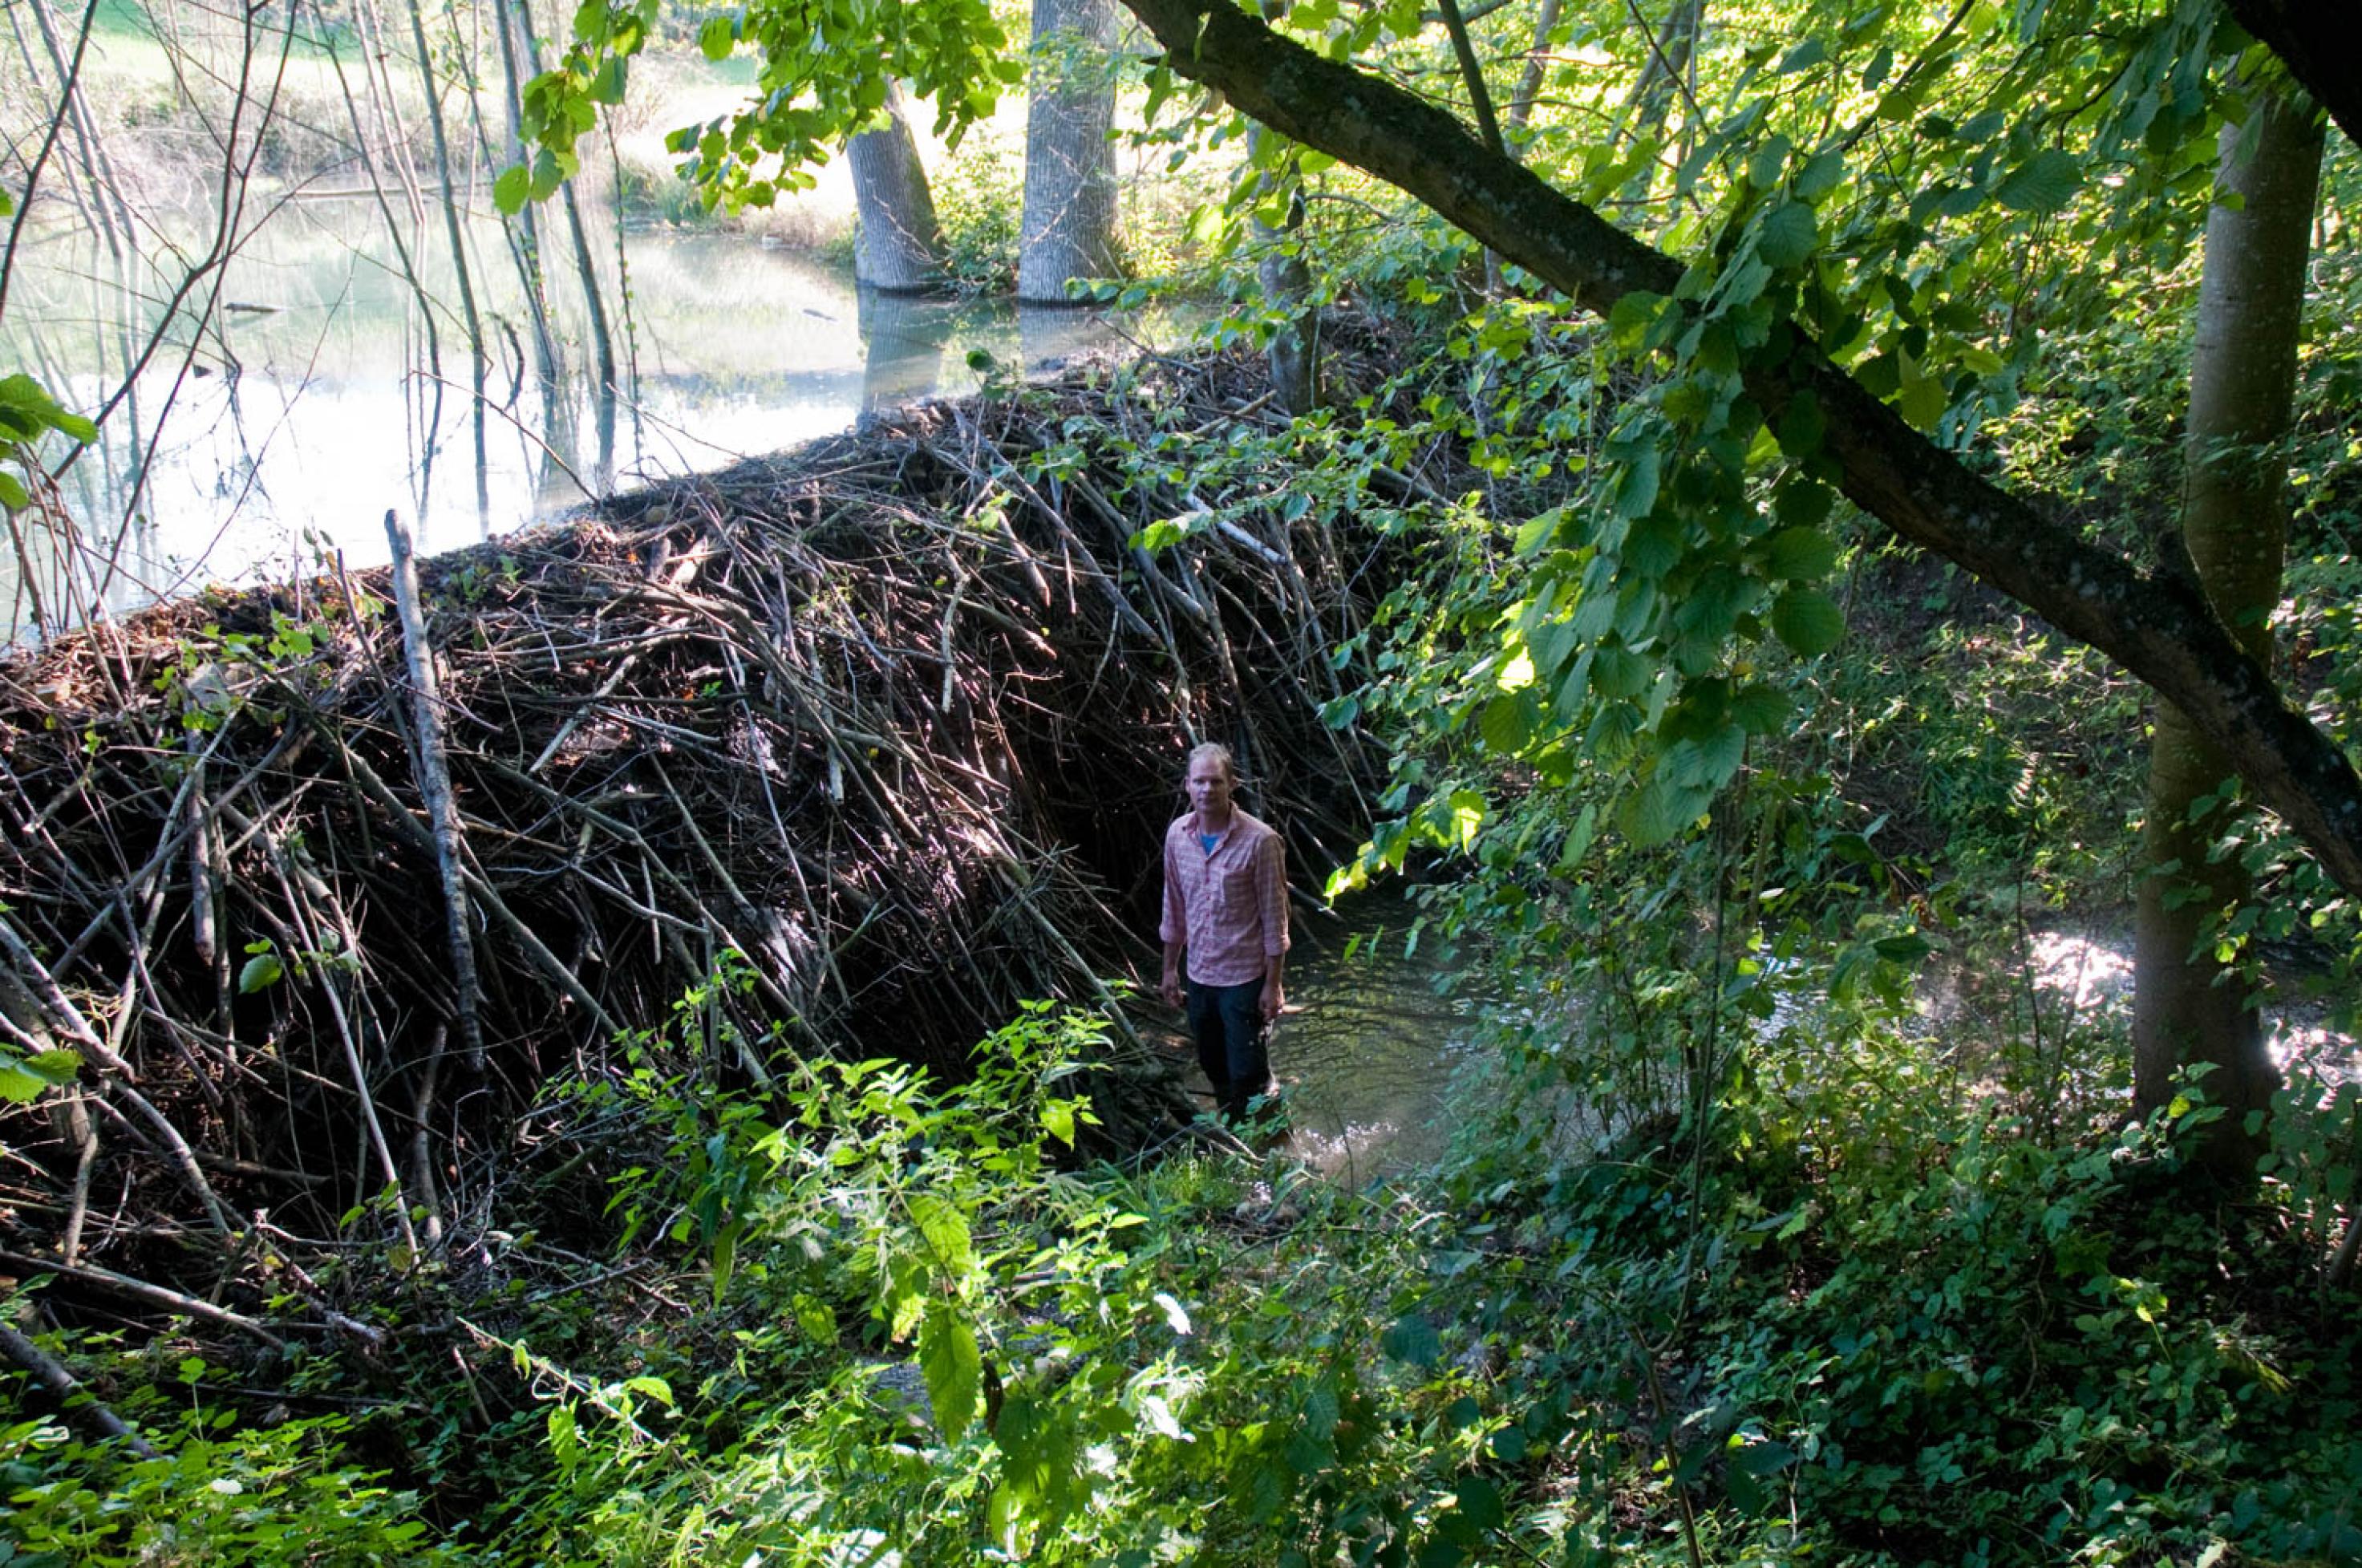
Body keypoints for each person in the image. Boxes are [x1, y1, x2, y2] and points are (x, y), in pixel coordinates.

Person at [1159, 741, 1289, 1123]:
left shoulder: (1261, 841)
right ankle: (1237, 1138)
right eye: (1199, 781)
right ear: (1187, 785)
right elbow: (1173, 908)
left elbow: (1274, 916)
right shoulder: (1177, 836)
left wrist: (1274, 984)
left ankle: (1273, 1144)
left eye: (1216, 781)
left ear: (1232, 784)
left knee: (1249, 1073)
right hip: (1199, 976)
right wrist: (1169, 970)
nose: (1207, 790)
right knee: (1214, 1066)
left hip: (1245, 977)